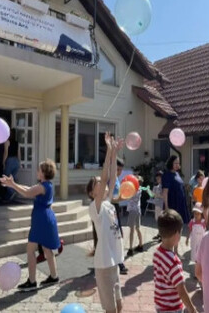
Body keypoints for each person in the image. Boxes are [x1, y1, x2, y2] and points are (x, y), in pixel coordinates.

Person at [0, 159, 61, 290]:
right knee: (47, 249)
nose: (37, 172)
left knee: (31, 250)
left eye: (39, 170)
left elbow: (27, 193)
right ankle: (54, 277)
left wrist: (12, 184)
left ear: (44, 173)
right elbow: (29, 189)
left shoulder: (43, 186)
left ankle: (32, 281)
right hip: (46, 218)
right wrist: (12, 184)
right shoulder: (46, 185)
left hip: (41, 220)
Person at [86, 133, 124, 313]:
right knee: (110, 309)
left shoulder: (108, 202)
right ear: (93, 193)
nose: (102, 183)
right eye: (98, 184)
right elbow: (105, 174)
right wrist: (108, 151)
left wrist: (115, 152)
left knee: (119, 304)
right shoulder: (96, 207)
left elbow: (113, 176)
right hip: (103, 265)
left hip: (114, 261)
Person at [90, 158, 129, 274]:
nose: (119, 172)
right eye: (117, 169)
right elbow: (109, 196)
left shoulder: (116, 179)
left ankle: (118, 261)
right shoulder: (107, 181)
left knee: (116, 233)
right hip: (104, 211)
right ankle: (110, 262)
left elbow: (114, 195)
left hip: (113, 208)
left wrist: (124, 197)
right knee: (104, 236)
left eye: (121, 170)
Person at [154, 209, 197, 313]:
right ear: (177, 234)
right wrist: (192, 309)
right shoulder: (174, 262)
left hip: (160, 305)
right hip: (172, 308)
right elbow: (181, 290)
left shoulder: (157, 253)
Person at [162, 155, 191, 252]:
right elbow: (165, 192)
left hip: (181, 204)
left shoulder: (177, 174)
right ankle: (169, 250)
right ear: (171, 163)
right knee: (172, 228)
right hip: (172, 204)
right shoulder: (166, 175)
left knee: (179, 227)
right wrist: (166, 207)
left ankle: (176, 251)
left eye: (178, 163)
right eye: (175, 163)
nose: (177, 165)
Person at [125, 176, 144, 257]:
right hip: (138, 210)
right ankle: (140, 245)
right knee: (137, 228)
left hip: (133, 211)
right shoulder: (139, 189)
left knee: (132, 230)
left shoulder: (134, 190)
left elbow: (127, 196)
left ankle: (130, 248)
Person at [185, 204, 206, 268]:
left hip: (201, 242)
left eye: (198, 214)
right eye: (195, 213)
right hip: (194, 241)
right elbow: (189, 230)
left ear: (201, 214)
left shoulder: (204, 222)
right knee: (194, 254)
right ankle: (196, 268)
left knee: (200, 255)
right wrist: (187, 238)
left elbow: (206, 232)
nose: (196, 215)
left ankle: (200, 267)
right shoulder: (192, 221)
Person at [2, 129, 19, 203]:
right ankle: (8, 197)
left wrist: (3, 161)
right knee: (13, 178)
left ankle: (12, 192)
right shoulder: (16, 142)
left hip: (10, 160)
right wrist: (19, 162)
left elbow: (6, 152)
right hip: (16, 161)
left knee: (7, 178)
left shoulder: (7, 141)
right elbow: (19, 153)